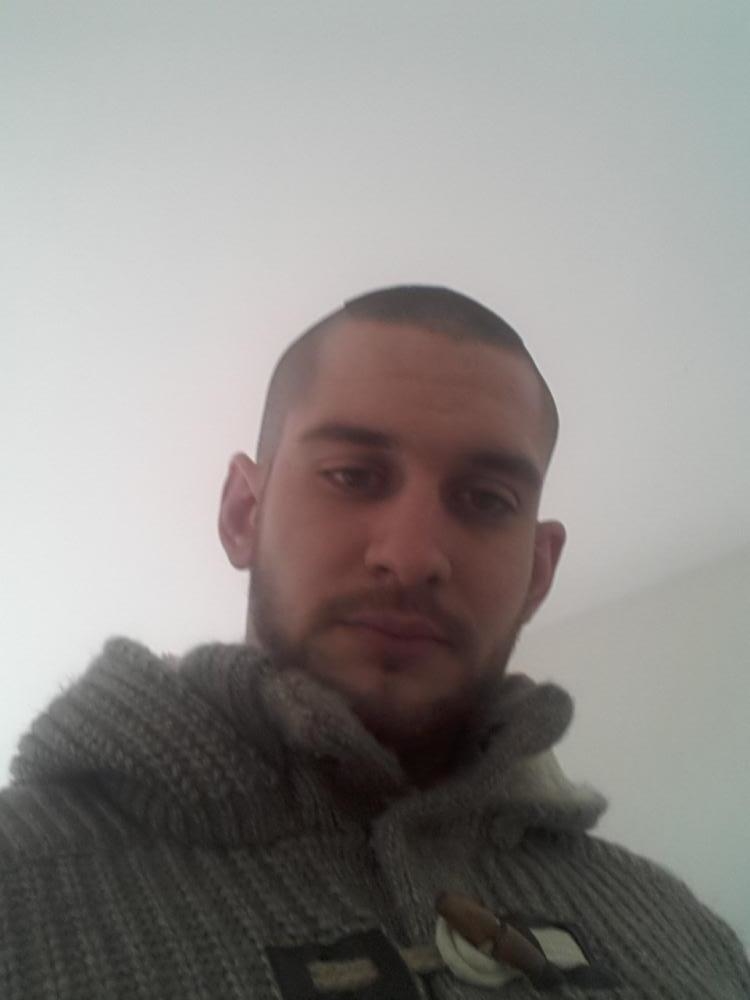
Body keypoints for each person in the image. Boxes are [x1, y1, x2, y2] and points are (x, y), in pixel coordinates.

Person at [1, 286, 747, 999]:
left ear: (538, 571)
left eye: (487, 499)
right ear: (242, 514)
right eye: (353, 476)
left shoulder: (690, 938)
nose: (413, 556)